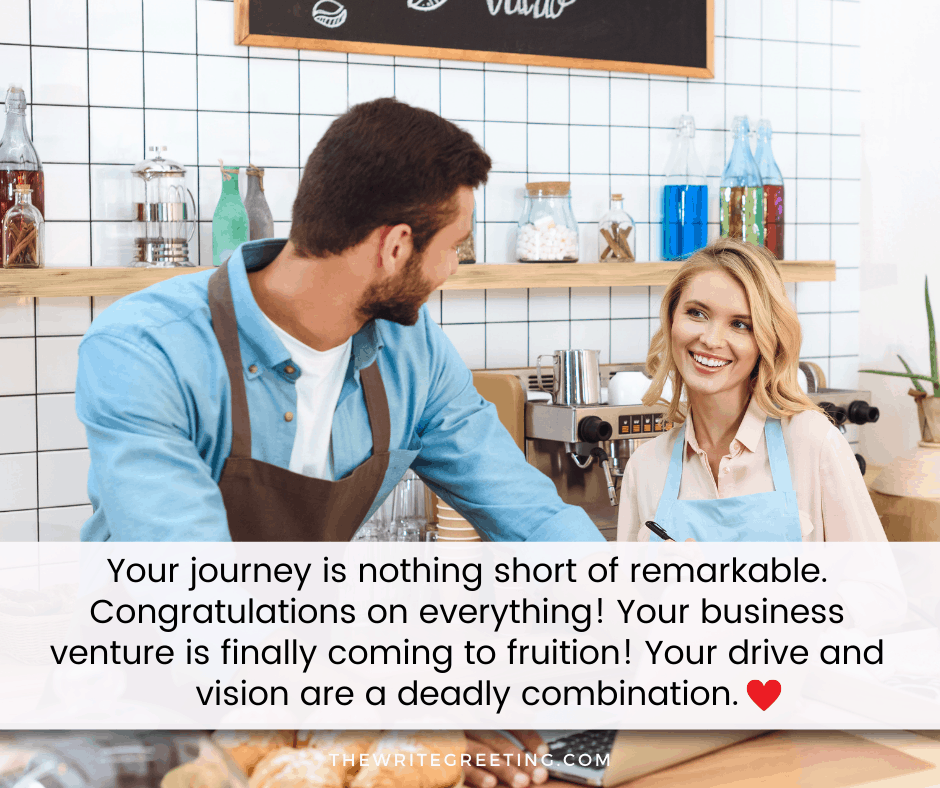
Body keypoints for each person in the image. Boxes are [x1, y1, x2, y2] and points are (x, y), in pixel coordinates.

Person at [76, 98, 603, 543]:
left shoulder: (412, 353)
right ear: (396, 246)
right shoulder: (145, 350)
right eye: (453, 247)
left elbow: (531, 516)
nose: (453, 268)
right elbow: (188, 577)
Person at [617, 237, 886, 543]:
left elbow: (876, 588)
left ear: (765, 341)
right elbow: (628, 589)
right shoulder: (645, 467)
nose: (712, 339)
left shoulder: (813, 443)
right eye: (697, 313)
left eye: (741, 325)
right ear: (671, 319)